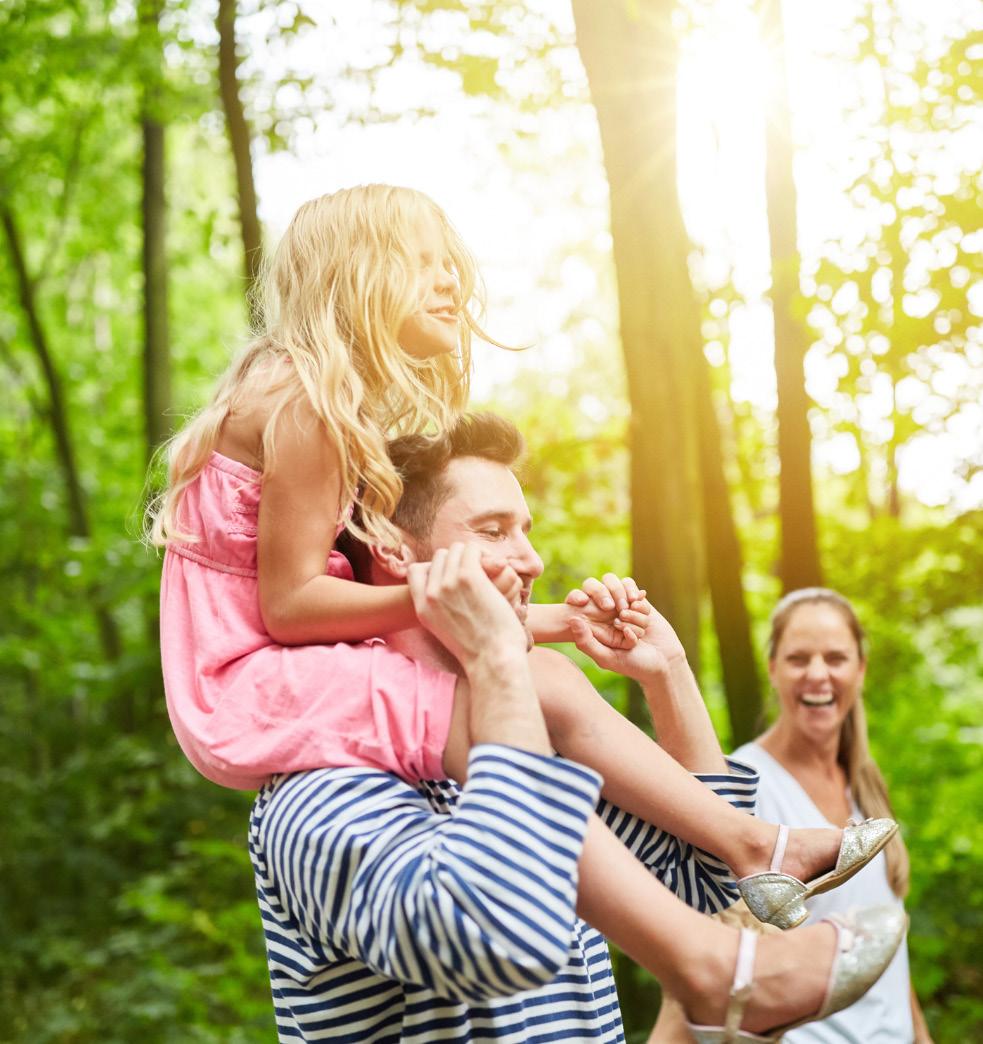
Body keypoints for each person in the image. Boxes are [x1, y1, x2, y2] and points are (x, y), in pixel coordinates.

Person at [147, 185, 885, 919]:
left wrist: (567, 624)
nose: (450, 281)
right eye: (422, 262)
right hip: (245, 686)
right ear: (356, 273)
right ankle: (711, 931)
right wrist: (450, 601)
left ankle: (750, 850)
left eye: (450, 263)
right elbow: (289, 607)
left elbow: (354, 609)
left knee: (546, 678)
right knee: (524, 705)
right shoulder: (307, 405)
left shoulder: (303, 394)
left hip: (263, 672)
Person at [248, 422, 908, 1042]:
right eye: (493, 530)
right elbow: (494, 938)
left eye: (525, 531)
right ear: (392, 545)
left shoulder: (531, 743)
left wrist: (668, 674)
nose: (531, 561)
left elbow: (705, 877)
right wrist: (499, 661)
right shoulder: (323, 784)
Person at [730, 589, 933, 1042]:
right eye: (799, 658)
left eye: (836, 658)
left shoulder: (864, 783)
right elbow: (731, 961)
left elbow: (887, 944)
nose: (818, 674)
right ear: (773, 669)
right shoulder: (745, 784)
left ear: (860, 669)